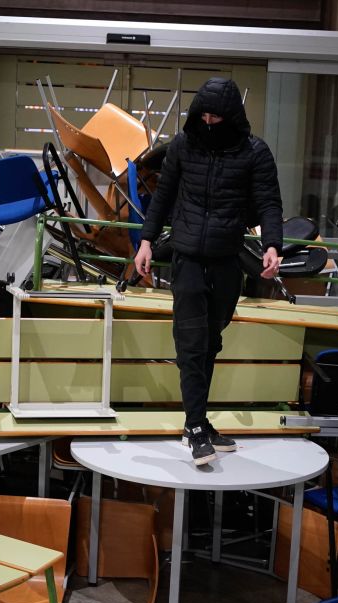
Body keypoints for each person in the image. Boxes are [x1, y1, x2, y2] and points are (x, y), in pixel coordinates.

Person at [135, 77, 283, 466]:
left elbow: (269, 202)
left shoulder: (255, 153)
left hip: (226, 260)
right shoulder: (184, 146)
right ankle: (197, 426)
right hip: (186, 257)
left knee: (211, 341)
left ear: (232, 116)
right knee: (190, 343)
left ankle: (195, 421)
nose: (209, 122)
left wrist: (272, 245)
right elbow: (162, 195)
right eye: (204, 115)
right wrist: (147, 241)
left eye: (216, 116)